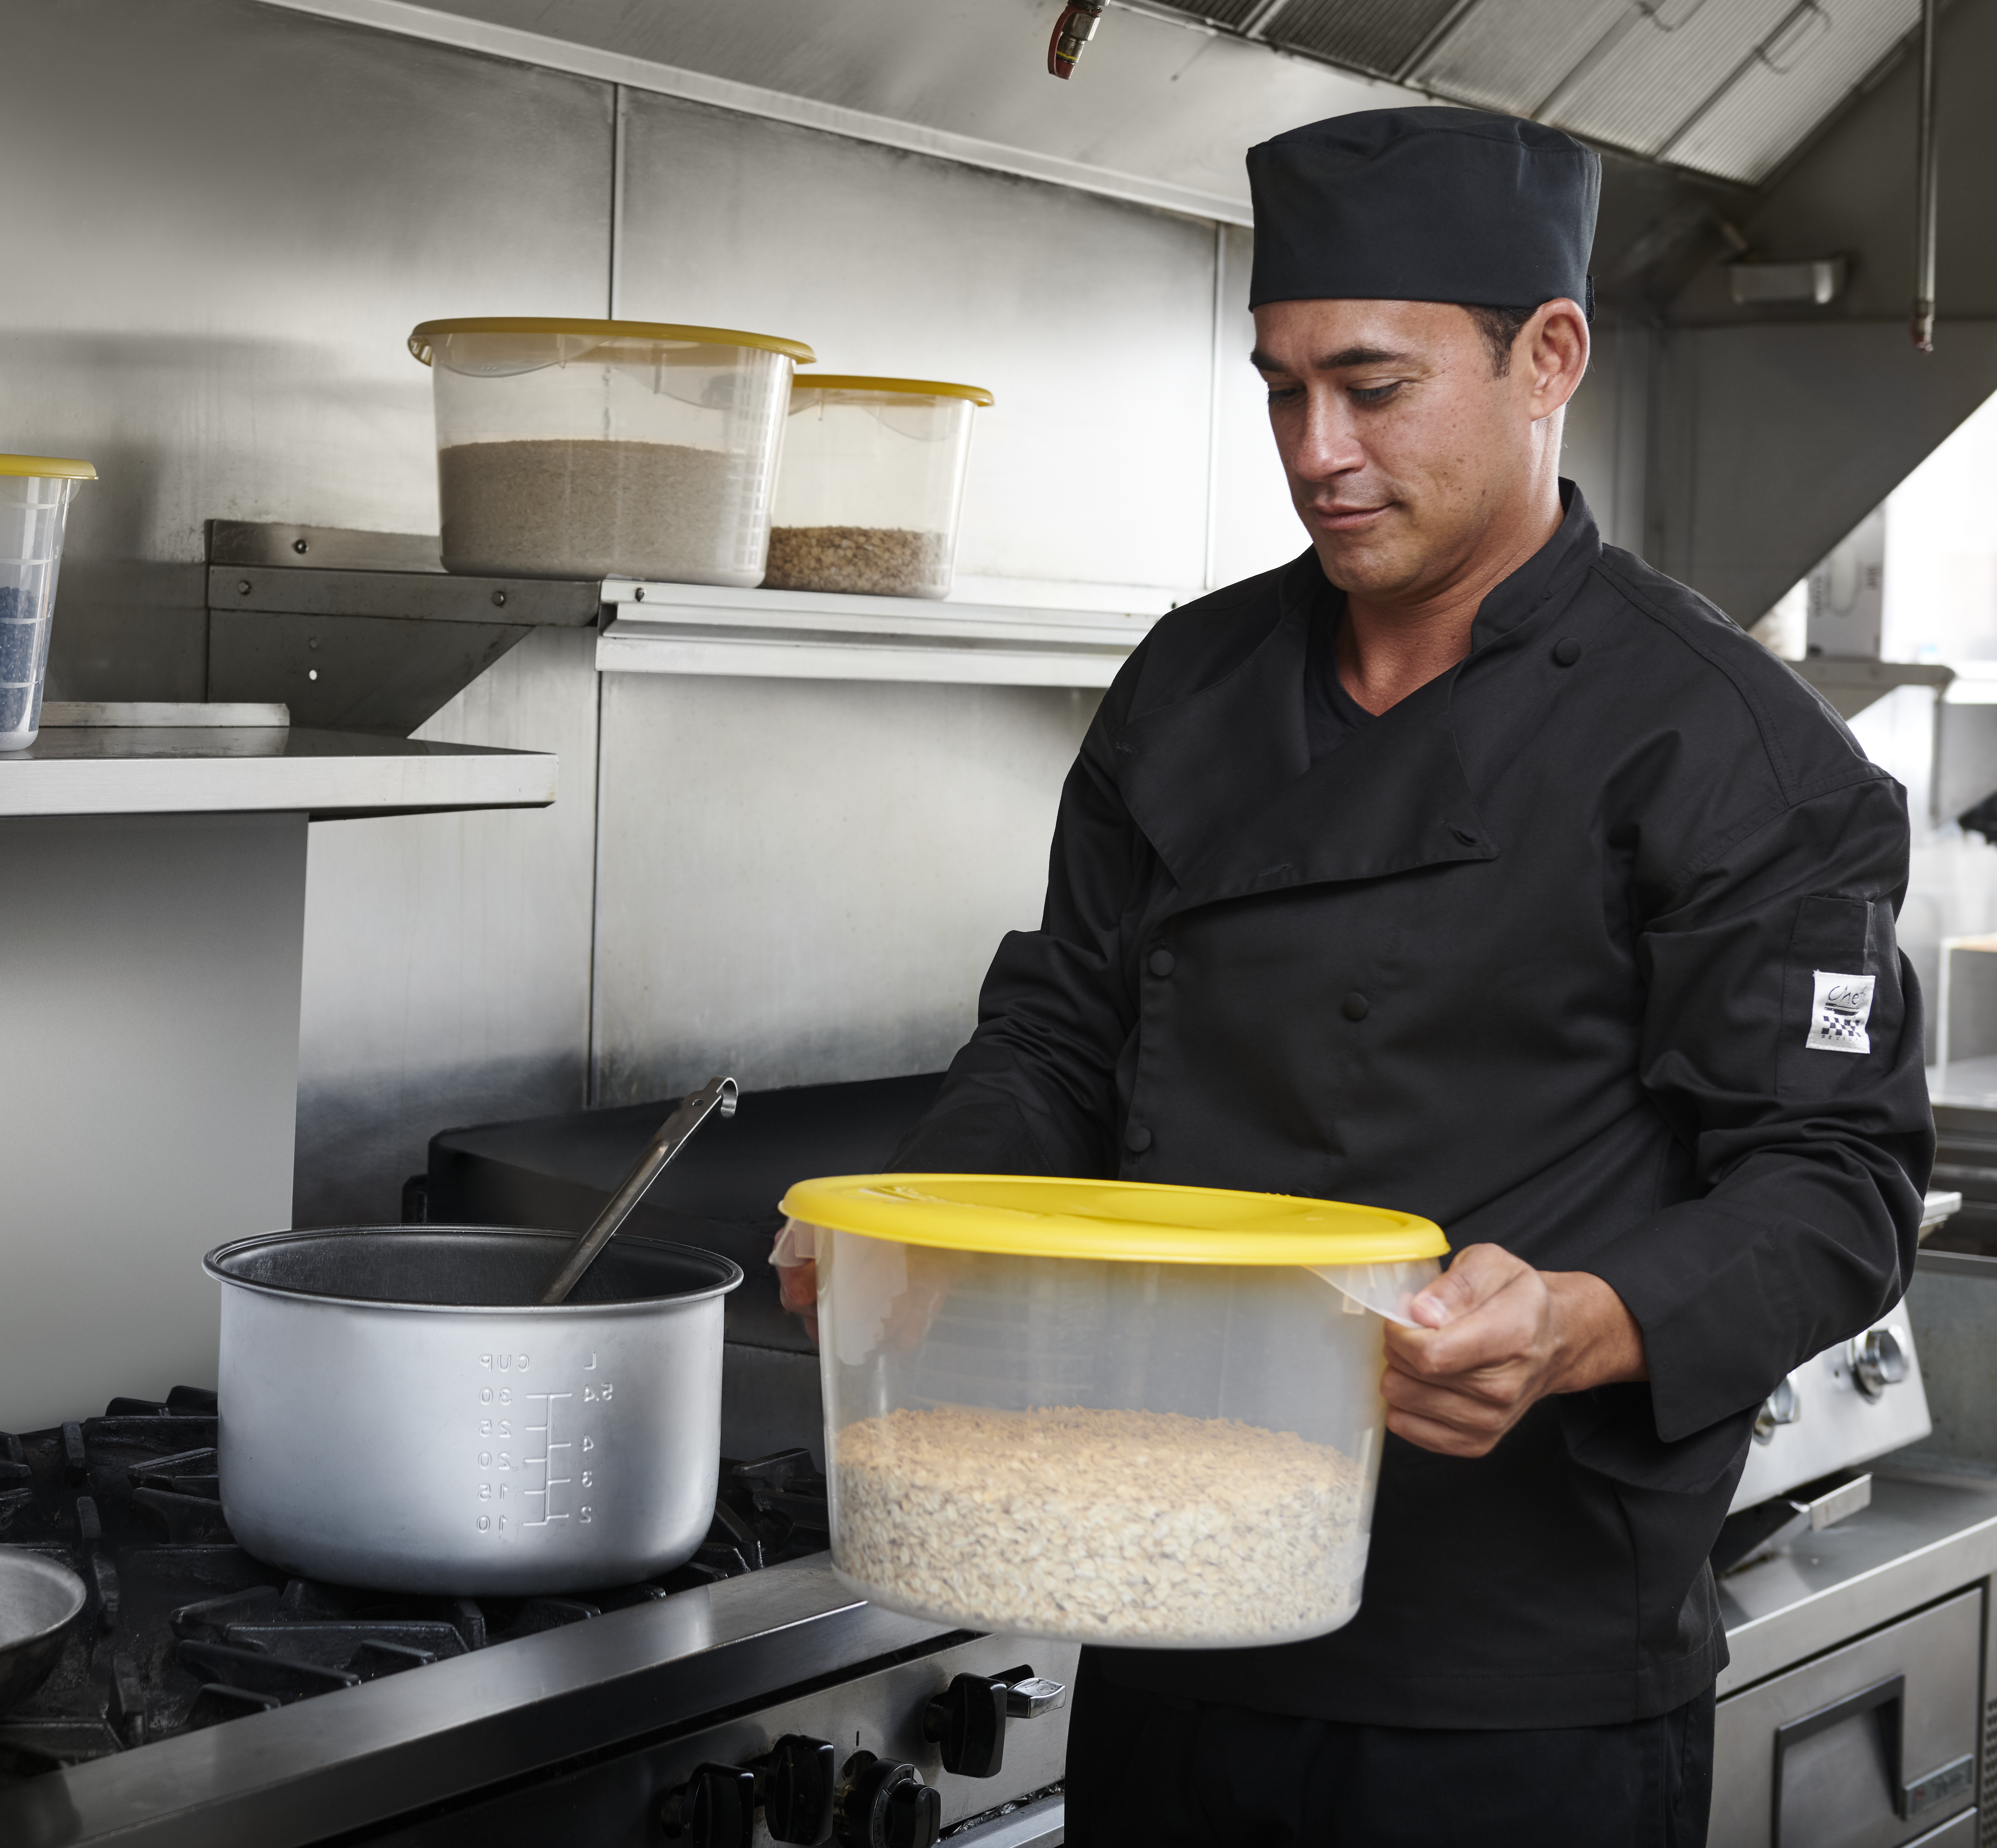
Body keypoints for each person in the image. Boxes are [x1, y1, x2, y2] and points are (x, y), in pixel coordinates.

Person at [805, 108, 1932, 1842]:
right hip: (1171, 1603)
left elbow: (1834, 1180)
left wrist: (1572, 1323)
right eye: (1277, 388)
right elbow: (1058, 1028)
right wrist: (929, 1217)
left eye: (1373, 385)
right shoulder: (1192, 683)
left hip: (1510, 1686)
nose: (1313, 448)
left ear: (1545, 357)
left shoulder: (1719, 745)